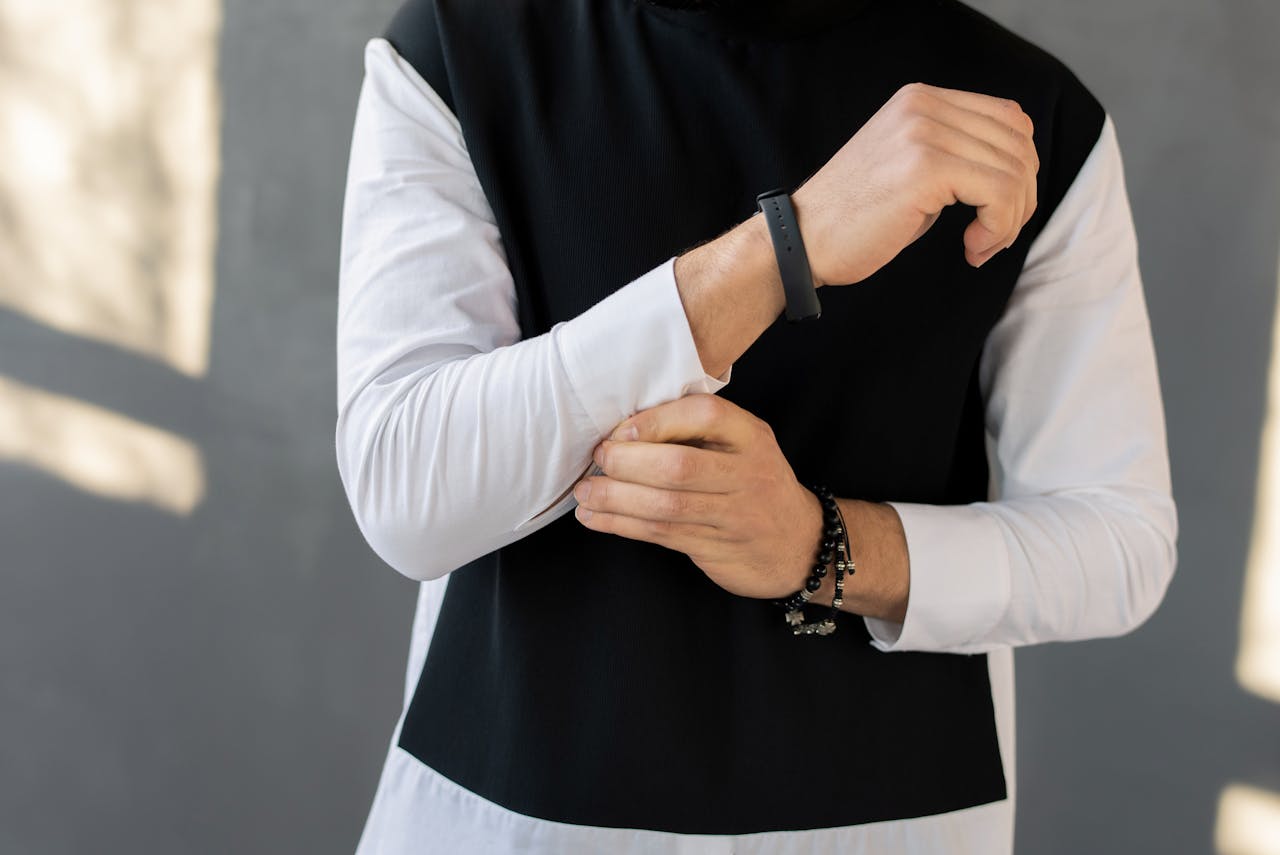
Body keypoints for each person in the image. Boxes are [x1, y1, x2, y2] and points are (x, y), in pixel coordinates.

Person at [335, 0, 1179, 852]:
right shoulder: (460, 47)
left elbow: (1121, 540)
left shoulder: (1025, 121)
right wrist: (788, 249)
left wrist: (826, 545)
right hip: (513, 816)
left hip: (891, 821)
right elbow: (404, 489)